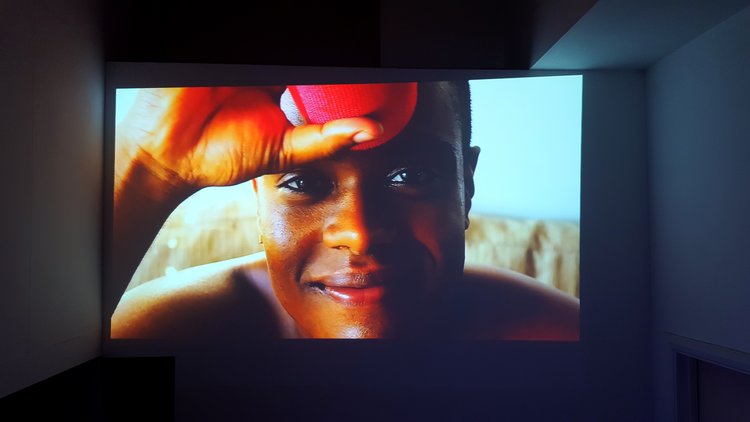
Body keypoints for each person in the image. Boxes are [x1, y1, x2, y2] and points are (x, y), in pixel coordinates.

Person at [110, 81, 579, 340]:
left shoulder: (555, 335)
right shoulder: (164, 331)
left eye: (411, 176)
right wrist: (150, 169)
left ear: (466, 186)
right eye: (302, 182)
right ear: (258, 198)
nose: (358, 233)